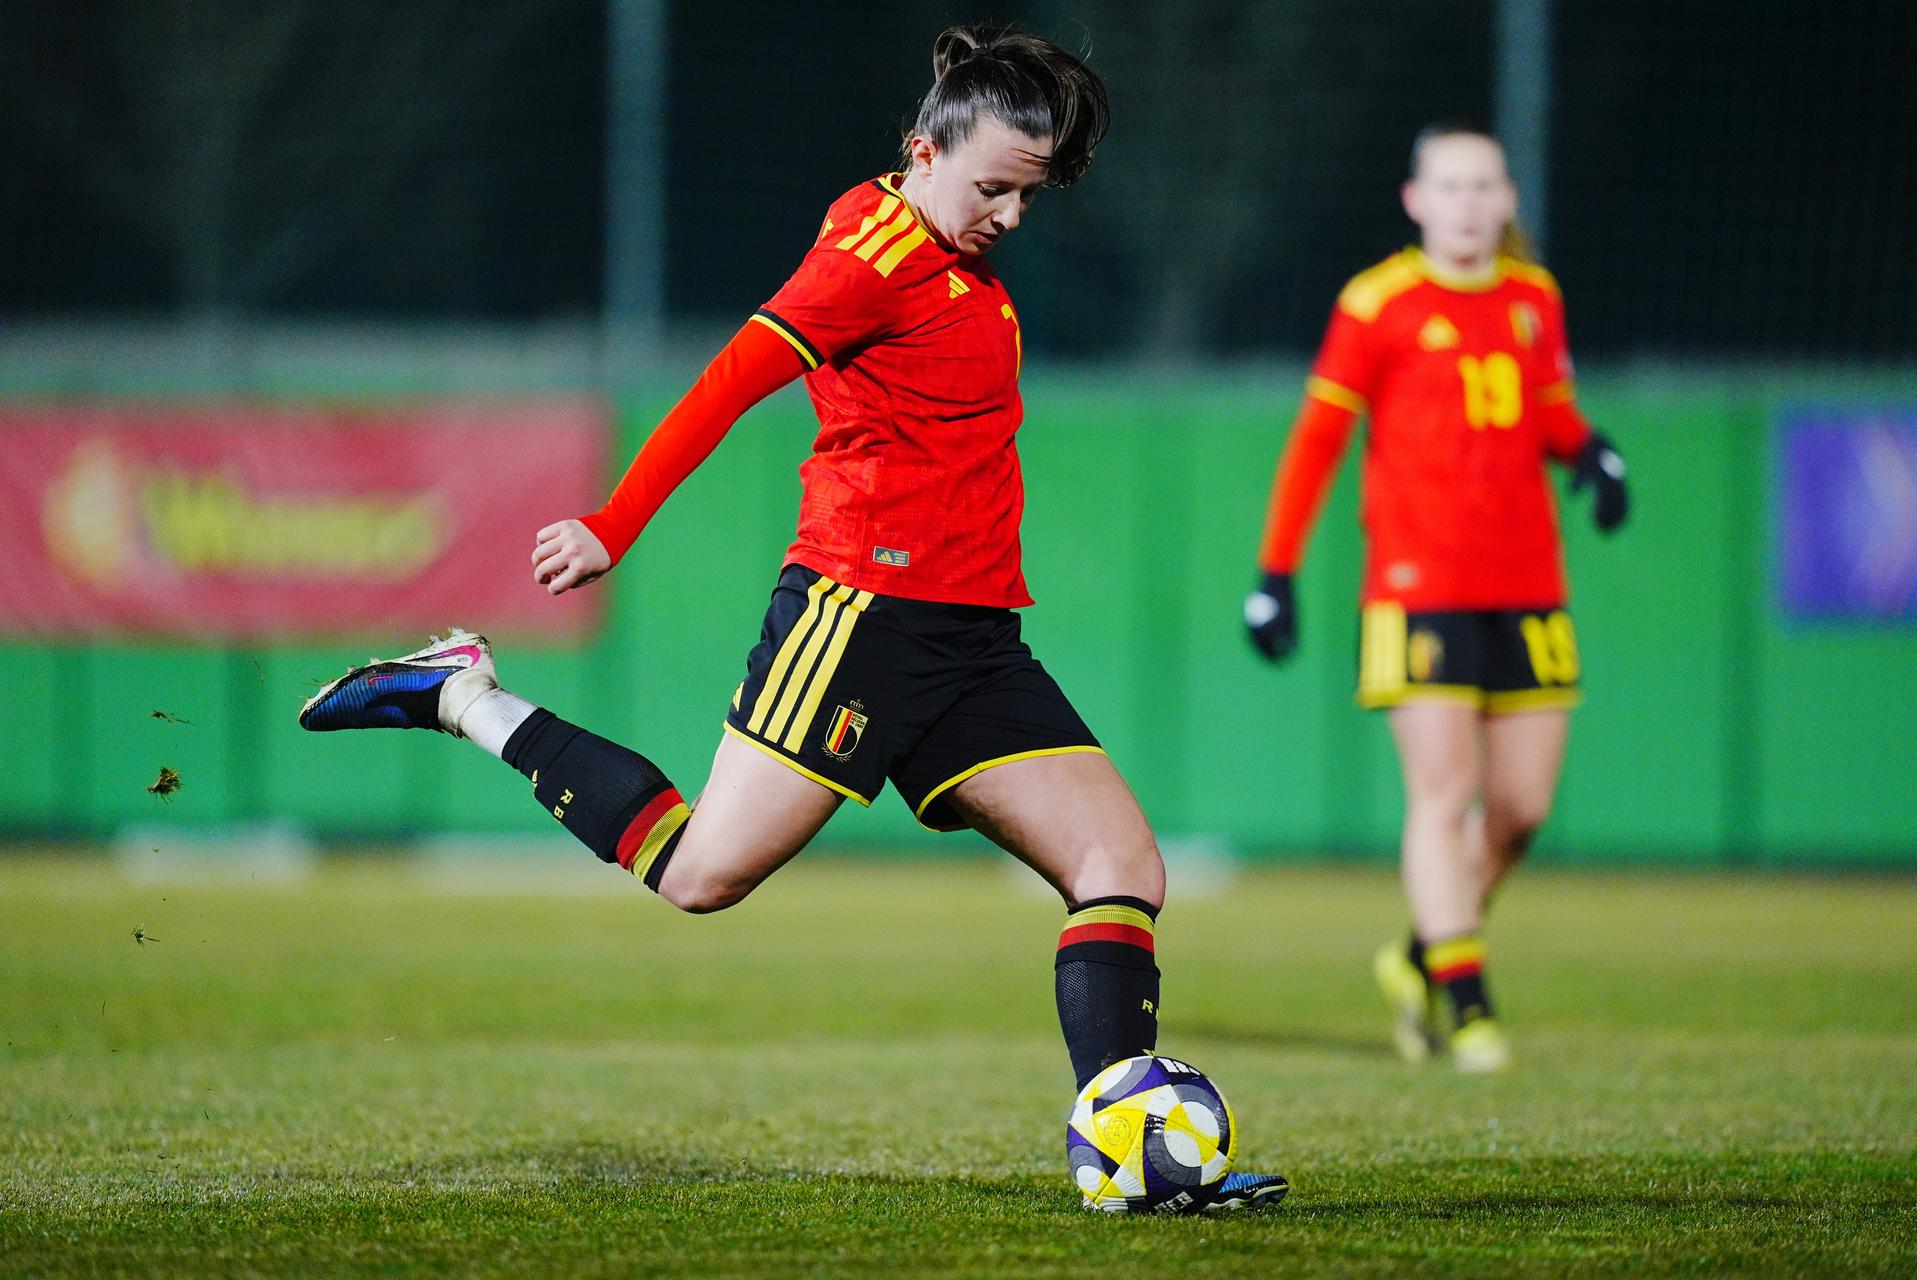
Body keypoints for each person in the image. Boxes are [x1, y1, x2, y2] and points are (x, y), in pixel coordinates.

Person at [302, 25, 1287, 1211]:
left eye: (1027, 197)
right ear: (923, 150)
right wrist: (613, 523)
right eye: (993, 189)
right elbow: (728, 379)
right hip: (860, 613)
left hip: (973, 638)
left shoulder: (949, 246)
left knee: (1120, 862)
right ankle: (462, 692)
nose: (1010, 217)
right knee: (701, 873)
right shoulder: (869, 257)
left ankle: (1132, 1153)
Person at [1244, 124, 1628, 1073]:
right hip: (1416, 591)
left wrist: (1589, 450)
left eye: (1483, 185)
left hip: (1530, 585)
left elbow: (1545, 405)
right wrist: (1275, 572)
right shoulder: (1379, 303)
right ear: (1416, 201)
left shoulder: (1535, 299)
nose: (1467, 202)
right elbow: (1317, 441)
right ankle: (1470, 1001)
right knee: (1443, 795)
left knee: (1522, 809)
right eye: (1449, 186)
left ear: (1505, 201)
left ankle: (1420, 955)